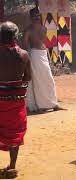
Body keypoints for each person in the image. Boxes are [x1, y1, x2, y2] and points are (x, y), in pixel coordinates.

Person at [0, 21, 31, 179]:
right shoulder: (23, 54)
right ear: (15, 35)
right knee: (15, 132)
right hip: (16, 100)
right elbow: (29, 77)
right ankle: (12, 168)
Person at [23, 6, 64, 112]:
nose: (36, 17)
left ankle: (53, 104)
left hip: (43, 54)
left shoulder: (44, 28)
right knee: (37, 81)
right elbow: (25, 45)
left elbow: (42, 42)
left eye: (38, 15)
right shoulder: (28, 30)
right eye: (34, 15)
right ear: (30, 17)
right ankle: (38, 106)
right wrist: (28, 59)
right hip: (34, 55)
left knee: (49, 79)